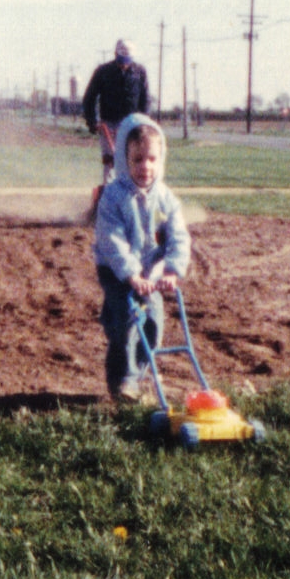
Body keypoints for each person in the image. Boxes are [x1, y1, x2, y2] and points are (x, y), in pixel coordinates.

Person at [92, 113, 190, 402]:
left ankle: (137, 374)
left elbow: (179, 236)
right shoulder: (113, 197)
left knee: (153, 324)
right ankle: (123, 381)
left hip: (150, 274)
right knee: (127, 319)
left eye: (151, 159)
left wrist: (172, 270)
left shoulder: (166, 198)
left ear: (161, 160)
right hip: (117, 271)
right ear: (124, 160)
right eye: (137, 160)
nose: (145, 167)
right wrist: (131, 275)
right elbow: (112, 241)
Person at [83, 39, 150, 183]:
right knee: (110, 160)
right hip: (109, 124)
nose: (124, 64)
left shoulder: (139, 72)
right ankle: (109, 196)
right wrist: (92, 122)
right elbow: (89, 98)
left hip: (132, 124)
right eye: (121, 59)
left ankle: (133, 194)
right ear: (115, 54)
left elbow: (145, 100)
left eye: (127, 60)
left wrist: (144, 123)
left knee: (133, 159)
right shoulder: (103, 71)